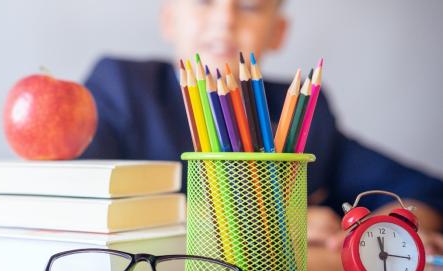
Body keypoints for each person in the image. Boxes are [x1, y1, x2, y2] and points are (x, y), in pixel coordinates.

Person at [81, 0, 443, 253]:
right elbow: (79, 199)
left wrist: (393, 226)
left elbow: (424, 190)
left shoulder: (302, 112)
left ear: (278, 32)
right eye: (204, 1)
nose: (226, 19)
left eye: (251, 5)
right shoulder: (122, 86)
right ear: (168, 19)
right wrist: (270, 226)